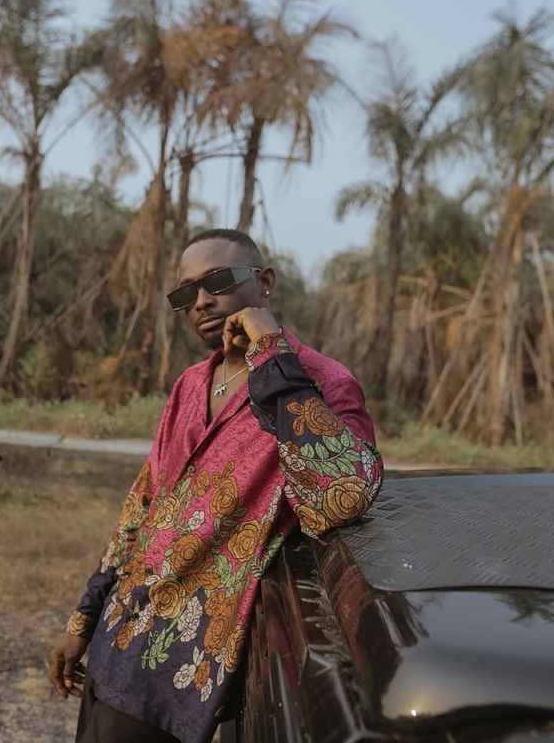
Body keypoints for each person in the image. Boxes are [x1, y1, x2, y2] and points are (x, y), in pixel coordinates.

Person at [49, 229, 383, 743]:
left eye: (219, 281)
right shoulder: (189, 384)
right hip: (119, 637)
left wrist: (270, 353)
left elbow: (344, 495)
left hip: (186, 665)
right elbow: (141, 506)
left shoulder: (322, 383)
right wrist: (83, 619)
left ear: (264, 281)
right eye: (187, 292)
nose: (201, 301)